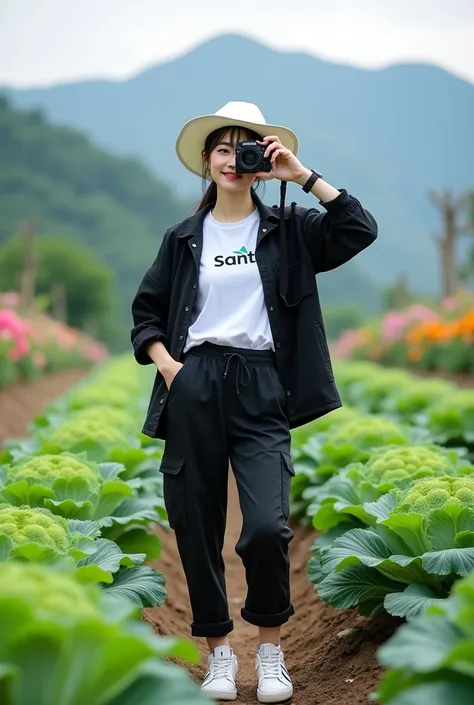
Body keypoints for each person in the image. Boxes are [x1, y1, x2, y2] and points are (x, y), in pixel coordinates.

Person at [131, 101, 378, 703]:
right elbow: (147, 312)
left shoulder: (292, 229)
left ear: (261, 161)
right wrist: (169, 369)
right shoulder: (184, 237)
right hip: (195, 381)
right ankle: (218, 653)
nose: (232, 159)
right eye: (223, 148)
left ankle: (269, 650)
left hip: (263, 383)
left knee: (266, 526)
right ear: (208, 163)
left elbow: (359, 229)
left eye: (247, 148)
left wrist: (303, 176)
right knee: (196, 523)